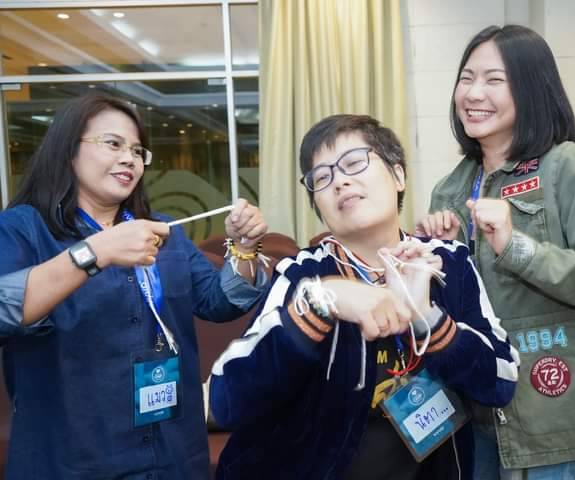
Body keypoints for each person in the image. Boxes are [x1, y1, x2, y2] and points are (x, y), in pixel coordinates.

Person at [209, 114, 519, 479]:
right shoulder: (302, 275)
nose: (340, 181)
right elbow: (227, 400)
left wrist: (427, 317)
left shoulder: (447, 262)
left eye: (354, 162)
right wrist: (319, 302)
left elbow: (501, 382)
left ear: (398, 175)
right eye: (321, 178)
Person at [416, 25, 575, 479]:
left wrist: (514, 245)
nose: (473, 93)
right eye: (466, 78)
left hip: (551, 412)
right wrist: (435, 256)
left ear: (531, 88)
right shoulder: (450, 188)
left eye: (494, 79)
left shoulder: (565, 166)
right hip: (476, 407)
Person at [0, 93, 269, 479]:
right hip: (73, 457)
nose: (130, 158)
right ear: (68, 150)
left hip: (173, 451)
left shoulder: (161, 230)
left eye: (138, 150)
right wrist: (96, 252)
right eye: (113, 144)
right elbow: (5, 310)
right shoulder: (23, 228)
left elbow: (221, 301)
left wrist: (243, 248)